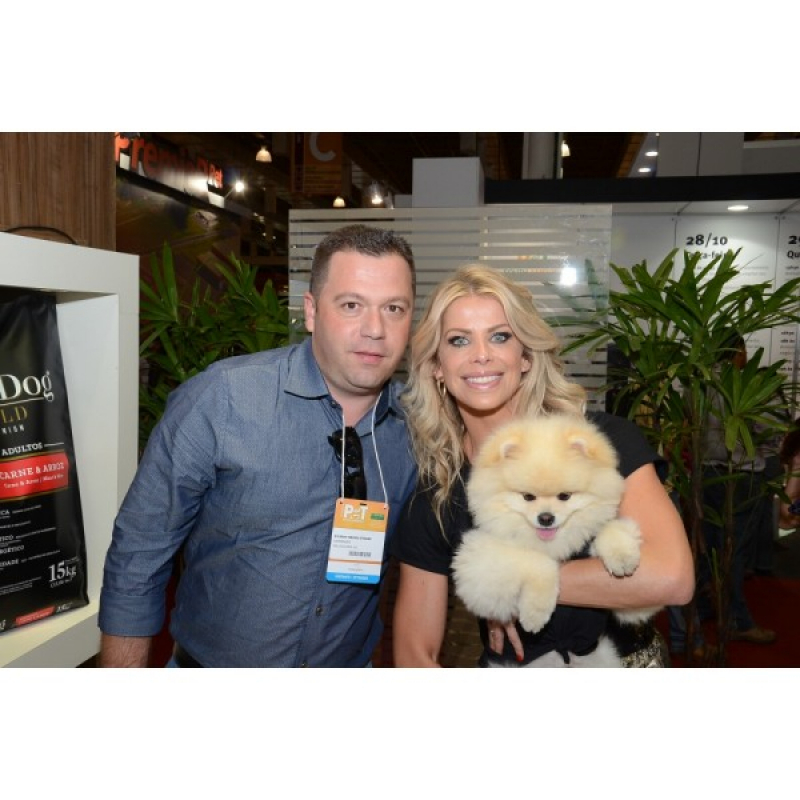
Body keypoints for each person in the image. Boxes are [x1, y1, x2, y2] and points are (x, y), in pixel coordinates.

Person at [98, 224, 418, 667]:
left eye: (394, 308)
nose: (375, 329)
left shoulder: (420, 427)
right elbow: (140, 552)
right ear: (311, 311)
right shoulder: (221, 399)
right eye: (351, 305)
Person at [391, 265, 695, 667]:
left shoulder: (599, 444)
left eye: (500, 336)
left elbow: (671, 577)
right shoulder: (438, 495)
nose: (481, 355)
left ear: (526, 358)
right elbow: (414, 654)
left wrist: (513, 581)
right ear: (437, 367)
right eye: (459, 340)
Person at [699, 330, 776, 644]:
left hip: (706, 476)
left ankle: (706, 608)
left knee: (711, 549)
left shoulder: (700, 384)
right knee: (734, 552)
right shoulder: (748, 384)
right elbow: (768, 430)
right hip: (741, 477)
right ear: (739, 351)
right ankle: (738, 620)